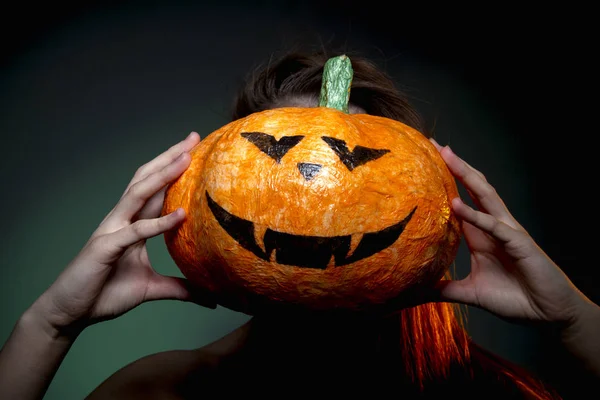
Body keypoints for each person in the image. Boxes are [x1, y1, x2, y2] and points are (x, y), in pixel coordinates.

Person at [0, 49, 598, 400]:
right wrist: (52, 324)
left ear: (432, 210)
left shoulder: (486, 395)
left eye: (357, 174)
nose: (311, 206)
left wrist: (575, 318)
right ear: (201, 196)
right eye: (270, 166)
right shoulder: (160, 391)